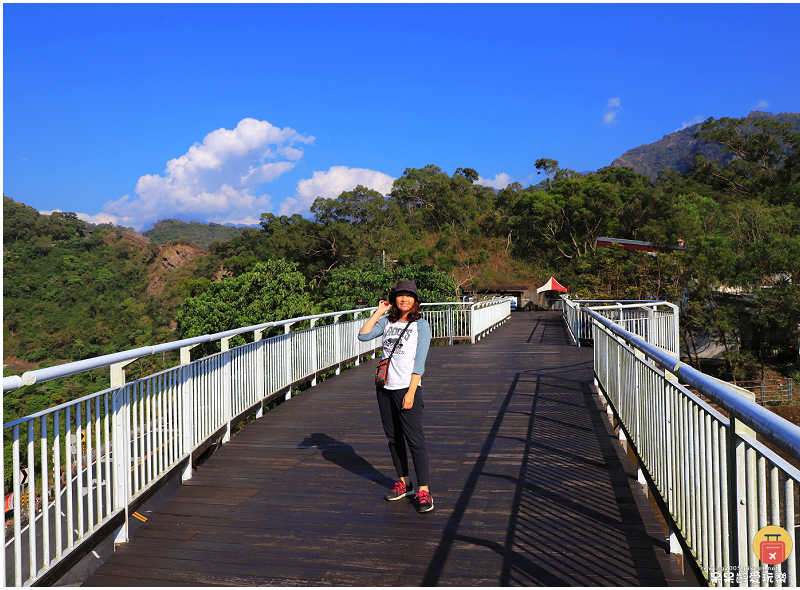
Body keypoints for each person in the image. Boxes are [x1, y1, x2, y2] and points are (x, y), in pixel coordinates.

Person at [358, 279, 434, 513]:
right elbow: (363, 336)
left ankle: (424, 491)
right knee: (393, 438)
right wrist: (378, 312)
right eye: (400, 295)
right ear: (393, 299)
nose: (404, 299)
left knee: (415, 440)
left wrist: (411, 392)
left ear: (415, 300)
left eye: (408, 296)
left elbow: (419, 362)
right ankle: (405, 483)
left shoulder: (421, 325)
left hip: (406, 388)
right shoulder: (387, 322)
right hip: (384, 388)